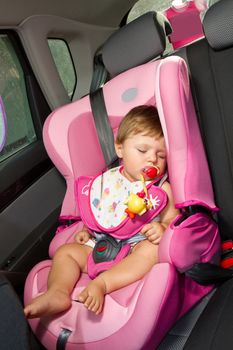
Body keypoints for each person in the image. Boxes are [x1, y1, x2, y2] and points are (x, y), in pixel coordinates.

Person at [24, 105, 179, 318]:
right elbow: (100, 214)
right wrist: (88, 232)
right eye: (143, 151)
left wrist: (162, 228)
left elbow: (173, 218)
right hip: (99, 245)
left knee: (151, 252)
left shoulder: (161, 189)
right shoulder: (106, 181)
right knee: (65, 253)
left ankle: (103, 284)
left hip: (133, 250)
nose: (152, 159)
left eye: (161, 155)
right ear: (120, 148)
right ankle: (57, 292)